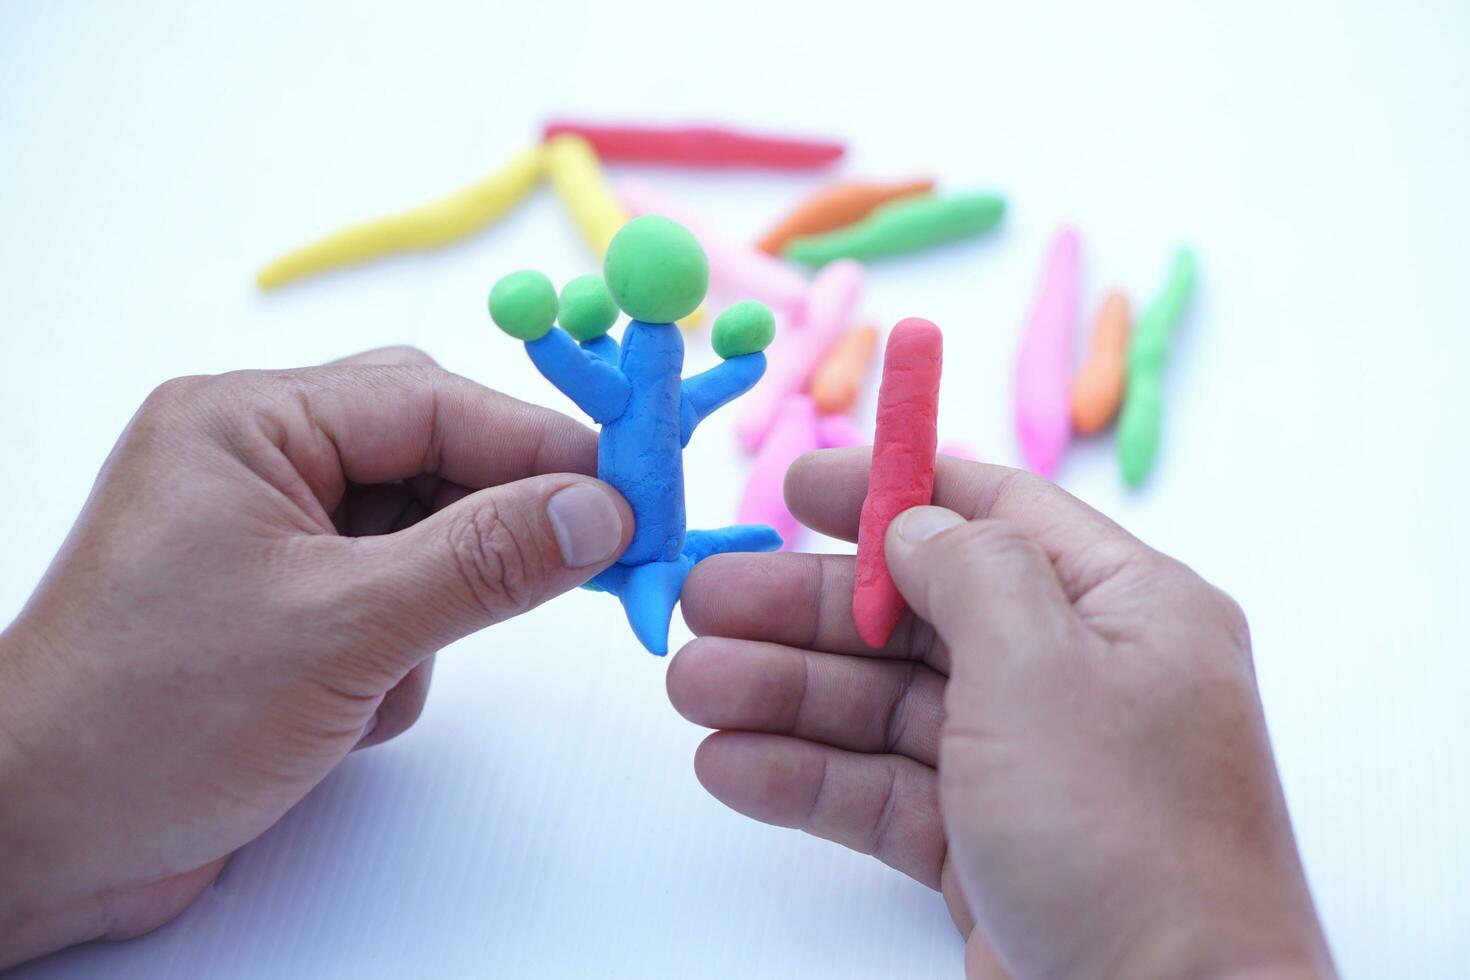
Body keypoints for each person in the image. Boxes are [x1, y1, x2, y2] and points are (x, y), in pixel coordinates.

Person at [0, 348, 1334, 977]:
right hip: (659, 549)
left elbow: (674, 403)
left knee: (710, 574)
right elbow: (636, 395)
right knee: (696, 581)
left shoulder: (644, 384)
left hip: (669, 544)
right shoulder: (615, 378)